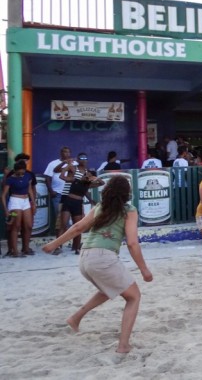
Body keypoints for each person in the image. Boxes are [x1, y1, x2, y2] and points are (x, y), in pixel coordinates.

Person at [42, 176, 153, 354]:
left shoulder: (100, 207)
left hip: (85, 259)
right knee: (134, 297)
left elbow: (78, 227)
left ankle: (75, 319)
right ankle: (123, 345)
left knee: (108, 288)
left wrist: (54, 244)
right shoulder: (129, 210)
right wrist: (144, 269)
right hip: (103, 259)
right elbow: (132, 243)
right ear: (127, 193)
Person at [59, 153, 105, 254]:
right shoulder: (75, 179)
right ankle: (58, 246)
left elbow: (102, 183)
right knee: (63, 224)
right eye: (81, 158)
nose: (87, 176)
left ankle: (76, 247)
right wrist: (66, 167)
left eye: (85, 158)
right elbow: (61, 176)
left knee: (78, 226)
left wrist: (94, 178)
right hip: (68, 200)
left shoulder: (87, 183)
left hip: (78, 203)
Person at [2, 161, 36, 257]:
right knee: (15, 227)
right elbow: (3, 195)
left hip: (26, 202)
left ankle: (26, 248)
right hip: (15, 202)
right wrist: (6, 210)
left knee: (28, 225)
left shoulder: (28, 176)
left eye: (23, 173)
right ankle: (15, 251)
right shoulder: (10, 179)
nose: (21, 175)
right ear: (15, 171)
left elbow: (29, 189)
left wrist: (33, 203)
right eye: (19, 173)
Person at [44, 146, 74, 249]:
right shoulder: (53, 163)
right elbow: (47, 178)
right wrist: (51, 191)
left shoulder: (73, 164)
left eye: (68, 152)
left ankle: (69, 241)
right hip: (57, 194)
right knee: (59, 218)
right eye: (65, 152)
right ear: (61, 153)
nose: (67, 154)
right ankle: (59, 243)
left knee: (70, 218)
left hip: (70, 194)